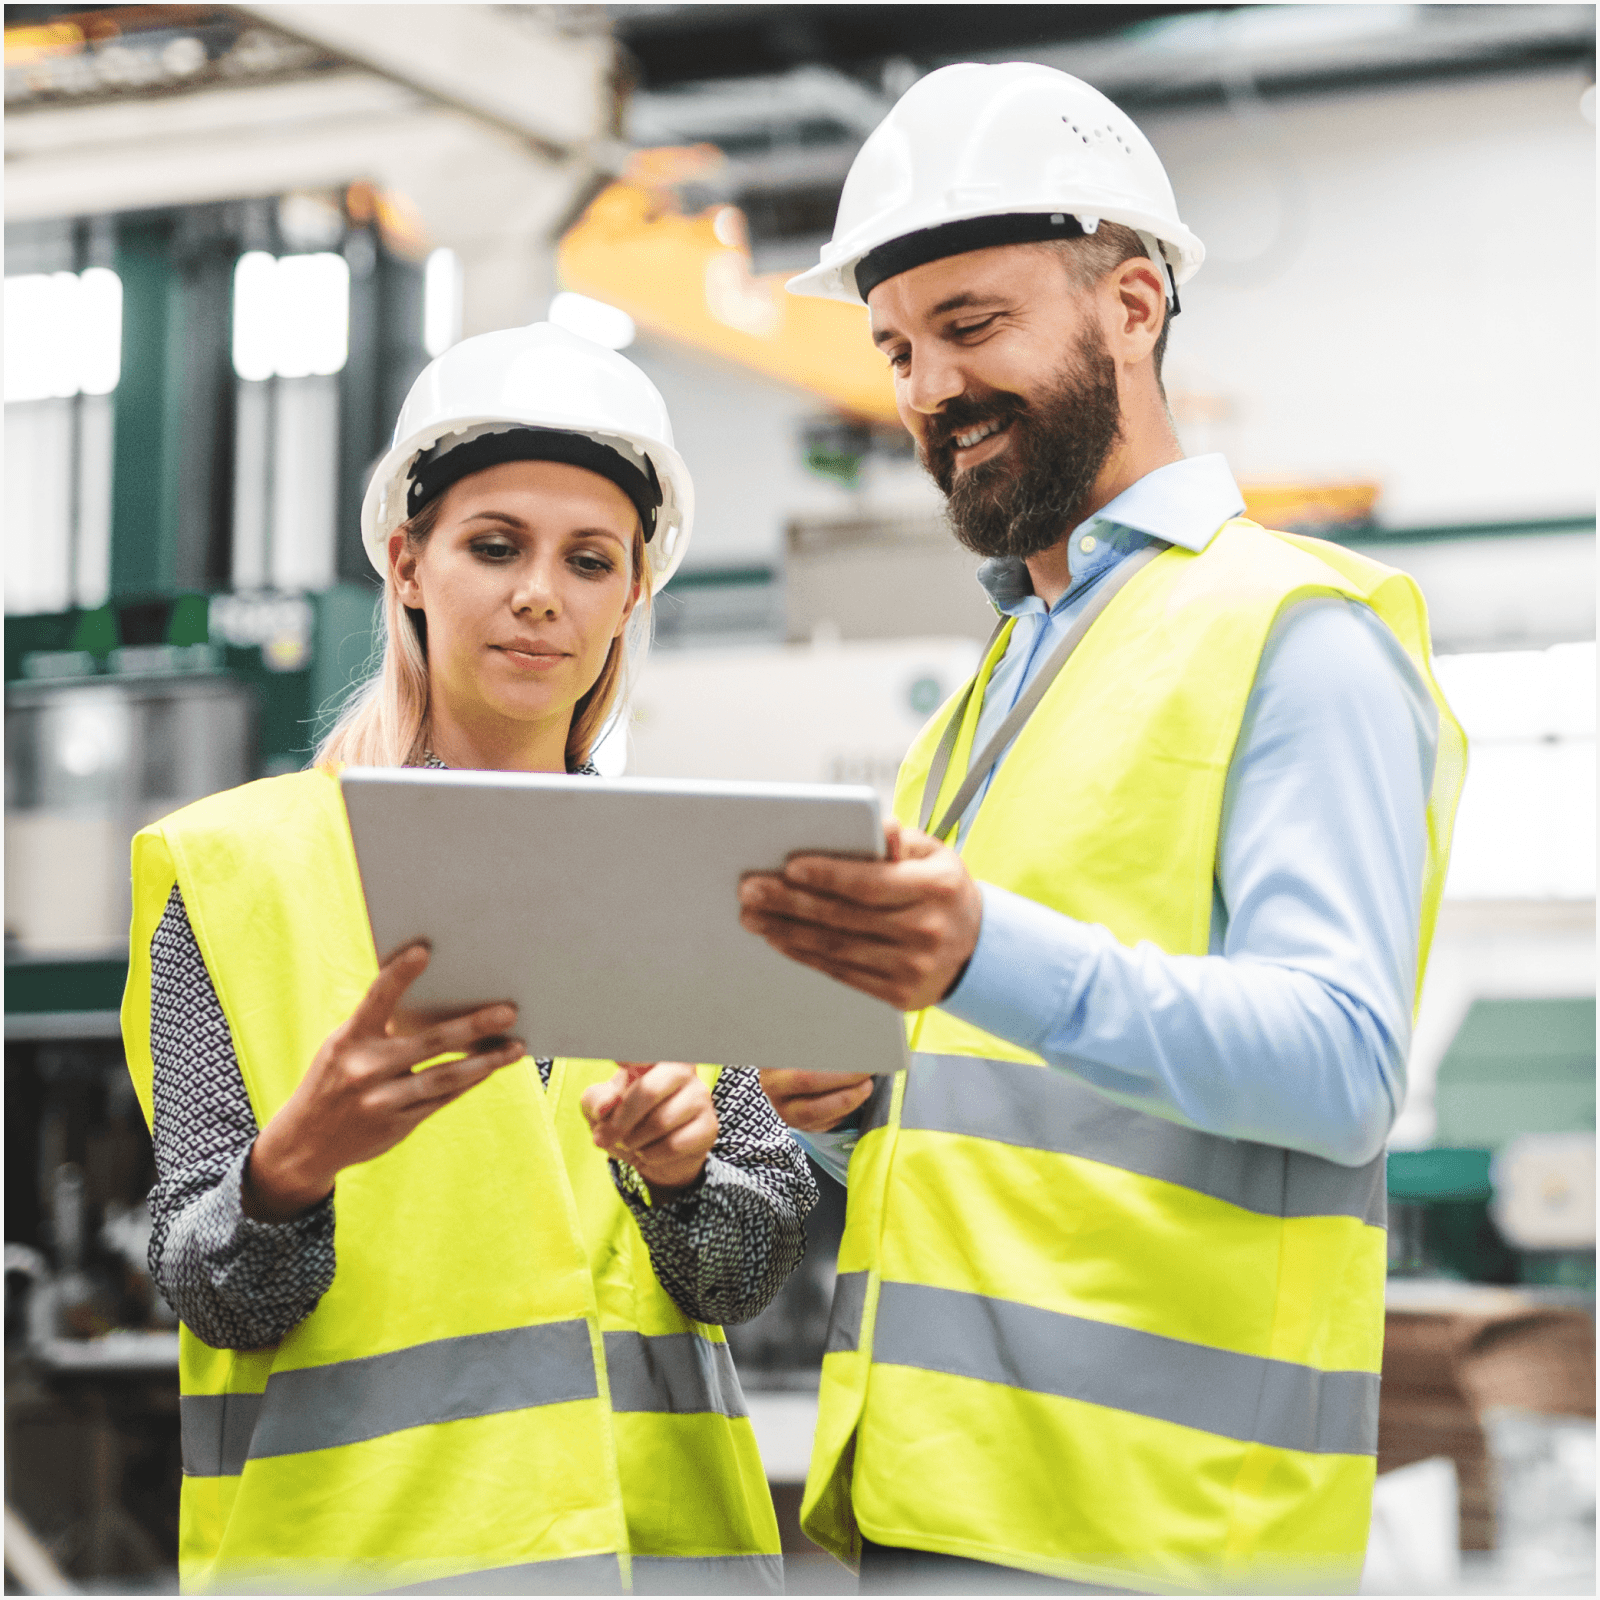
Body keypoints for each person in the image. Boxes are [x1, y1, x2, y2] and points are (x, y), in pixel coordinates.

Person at [740, 62, 1466, 1595]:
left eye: (973, 325)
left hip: (1164, 1535)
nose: (930, 390)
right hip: (945, 1506)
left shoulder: (1299, 631)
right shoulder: (990, 692)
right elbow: (1040, 1085)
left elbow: (1340, 1068)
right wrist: (872, 1094)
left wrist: (974, 953)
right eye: (896, 348)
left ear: (1131, 304)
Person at [121, 322, 815, 1594]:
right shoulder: (239, 875)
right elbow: (212, 1291)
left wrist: (685, 1176)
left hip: (651, 1563)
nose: (540, 592)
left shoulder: (692, 871)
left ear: (630, 593)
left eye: (587, 559)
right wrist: (289, 1170)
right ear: (409, 562)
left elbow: (744, 1270)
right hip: (366, 1564)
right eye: (494, 545)